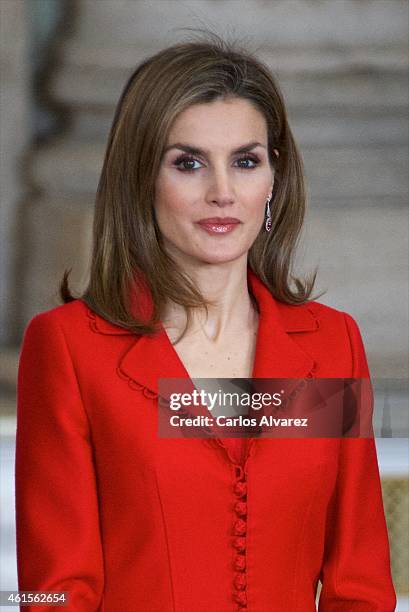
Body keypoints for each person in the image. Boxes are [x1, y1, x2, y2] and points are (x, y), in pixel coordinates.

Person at [15, 34, 396, 611]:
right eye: (188, 163)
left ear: (274, 179)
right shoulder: (68, 348)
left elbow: (359, 583)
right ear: (142, 179)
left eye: (245, 161)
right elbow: (52, 593)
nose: (222, 192)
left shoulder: (332, 344)